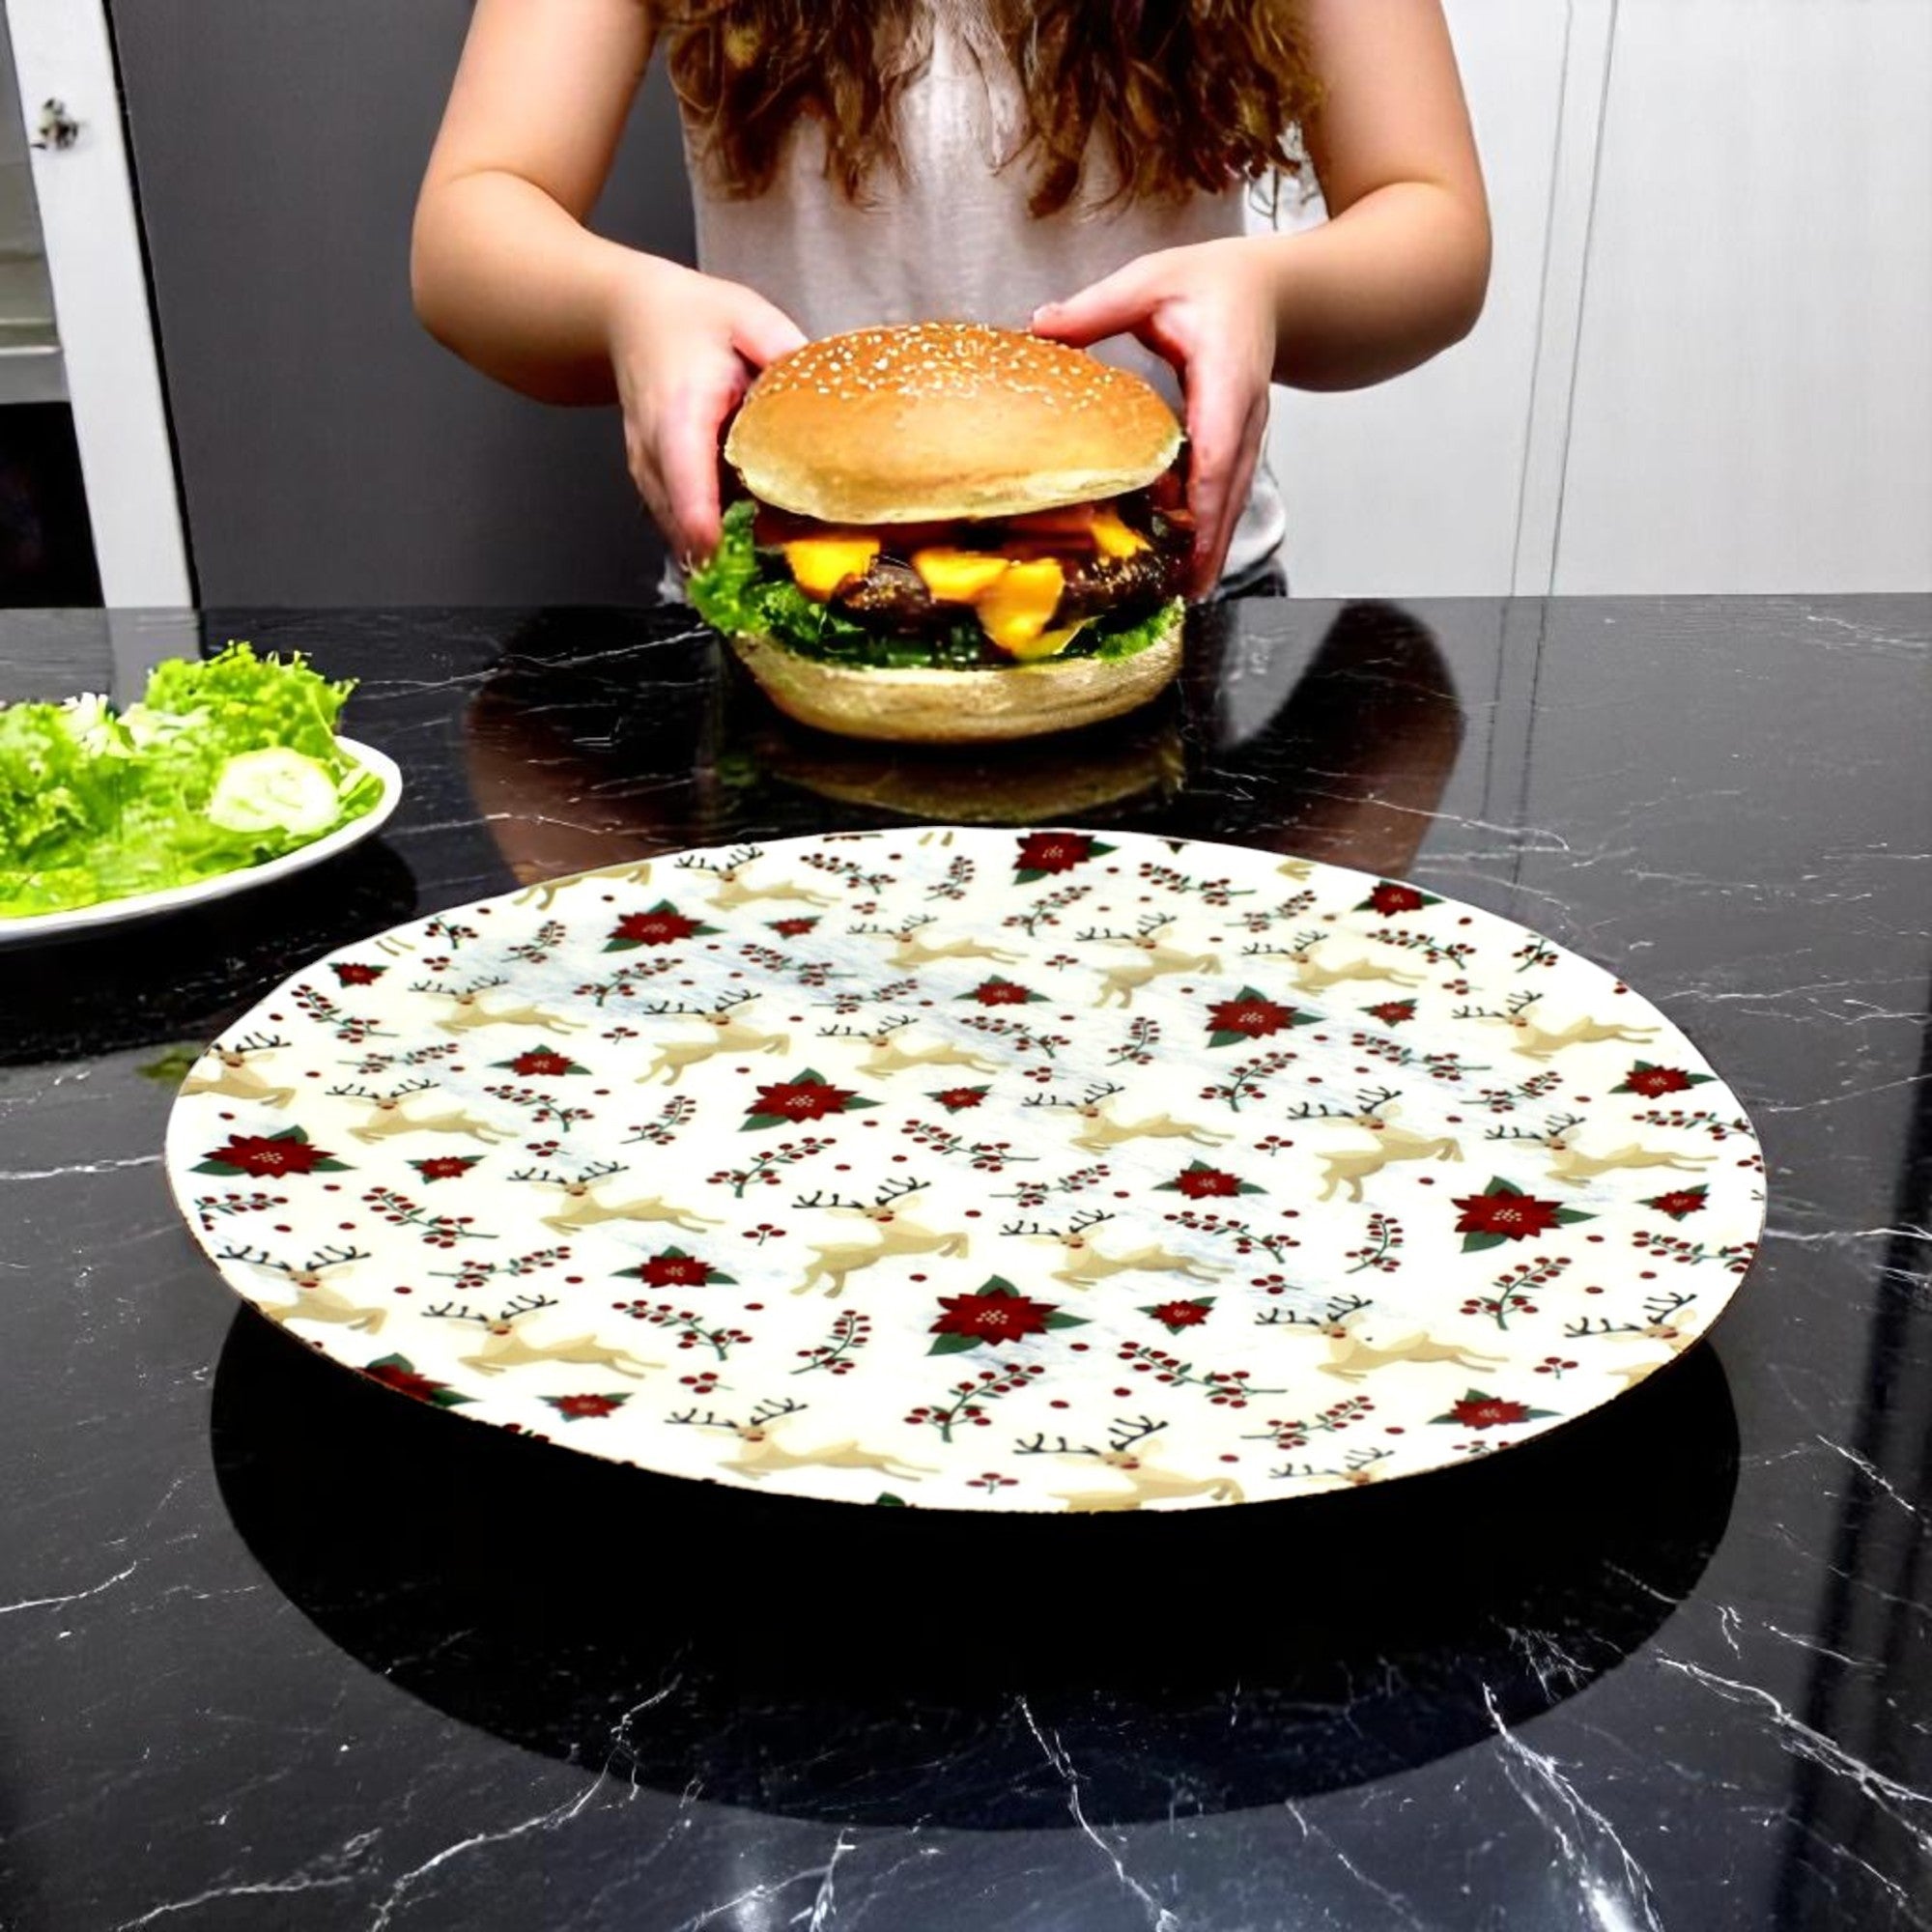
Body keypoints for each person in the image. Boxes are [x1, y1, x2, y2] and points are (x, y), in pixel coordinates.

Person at [412, 1, 1490, 598]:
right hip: (790, 597)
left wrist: (1267, 288)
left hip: (1168, 606)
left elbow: (1432, 226)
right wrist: (624, 303)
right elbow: (468, 230)